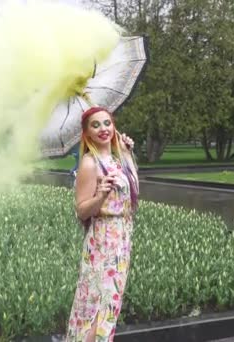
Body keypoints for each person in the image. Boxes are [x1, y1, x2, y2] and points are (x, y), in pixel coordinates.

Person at [65, 106, 139, 342]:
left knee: (110, 305)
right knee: (95, 306)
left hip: (121, 239)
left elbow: (132, 195)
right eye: (95, 125)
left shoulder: (119, 157)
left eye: (107, 123)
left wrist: (128, 152)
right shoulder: (89, 163)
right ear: (86, 133)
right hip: (103, 241)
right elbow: (81, 211)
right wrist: (100, 196)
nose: (103, 129)